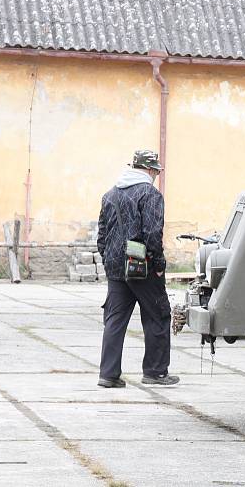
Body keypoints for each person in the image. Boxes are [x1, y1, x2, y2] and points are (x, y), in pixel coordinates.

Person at [96, 150, 178, 387]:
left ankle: (108, 375)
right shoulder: (150, 194)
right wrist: (159, 265)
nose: (156, 175)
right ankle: (155, 372)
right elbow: (153, 233)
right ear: (150, 170)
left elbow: (101, 235)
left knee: (114, 320)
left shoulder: (109, 195)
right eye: (156, 171)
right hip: (142, 267)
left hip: (115, 268)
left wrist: (108, 259)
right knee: (158, 315)